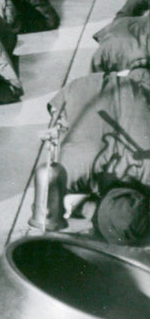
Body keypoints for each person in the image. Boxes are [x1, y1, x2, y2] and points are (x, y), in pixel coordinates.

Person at [47, 68, 149, 246]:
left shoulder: (72, 171)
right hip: (82, 88)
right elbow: (48, 222)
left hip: (133, 88)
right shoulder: (69, 171)